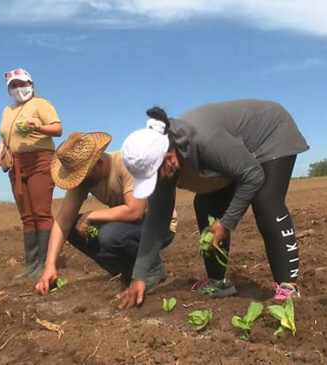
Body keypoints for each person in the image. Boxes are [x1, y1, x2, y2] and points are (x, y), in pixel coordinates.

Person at [116, 100, 309, 308]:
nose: (155, 181)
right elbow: (156, 222)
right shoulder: (162, 161)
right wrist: (139, 276)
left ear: (168, 157)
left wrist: (226, 223)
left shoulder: (204, 140)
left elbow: (252, 175)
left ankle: (288, 287)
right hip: (237, 148)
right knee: (205, 204)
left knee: (266, 202)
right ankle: (218, 282)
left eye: (154, 176)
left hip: (270, 133)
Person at [34, 132, 177, 296]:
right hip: (130, 227)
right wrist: (50, 265)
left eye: (83, 177)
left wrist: (91, 215)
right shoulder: (85, 181)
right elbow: (63, 221)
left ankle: (153, 269)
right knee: (73, 226)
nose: (82, 183)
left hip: (160, 227)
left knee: (109, 234)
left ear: (99, 163)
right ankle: (126, 270)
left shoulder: (126, 164)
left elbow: (135, 211)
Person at [0, 68, 63, 278]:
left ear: (31, 84)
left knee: (41, 212)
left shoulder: (41, 104)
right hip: (16, 164)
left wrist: (38, 127)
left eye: (22, 84)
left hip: (40, 160)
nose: (19, 88)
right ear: (9, 90)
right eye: (13, 86)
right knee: (27, 217)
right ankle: (31, 265)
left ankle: (46, 264)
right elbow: (3, 142)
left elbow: (57, 129)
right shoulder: (7, 111)